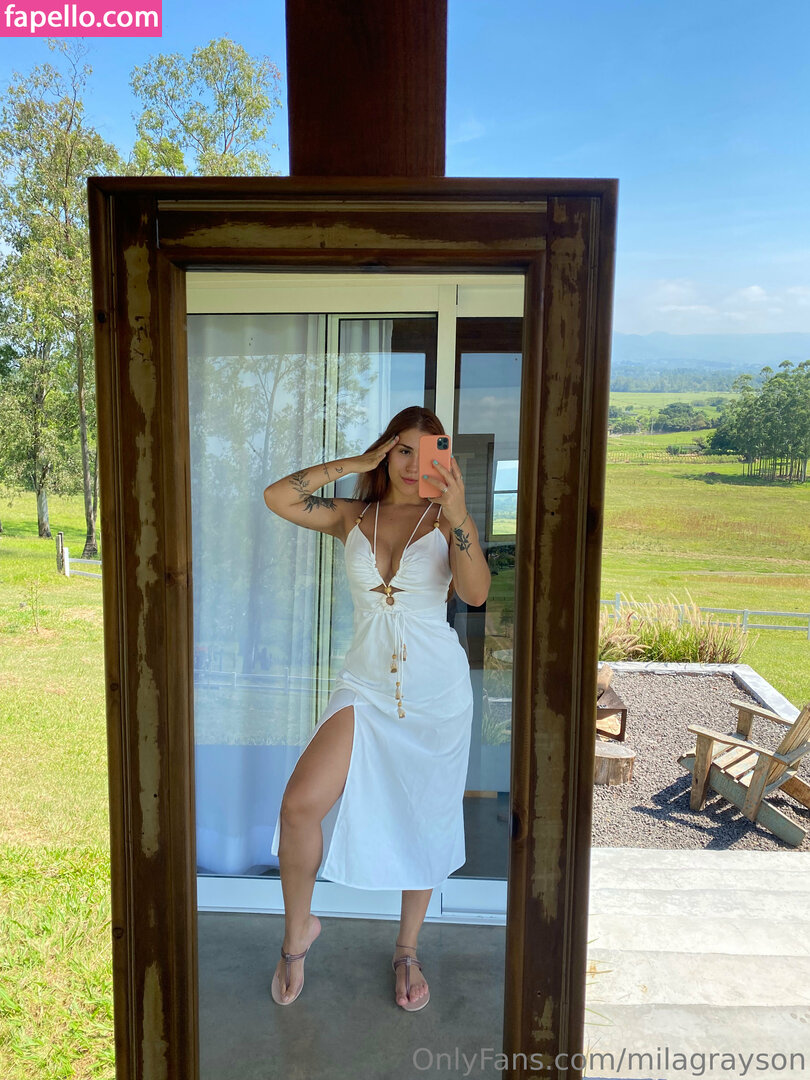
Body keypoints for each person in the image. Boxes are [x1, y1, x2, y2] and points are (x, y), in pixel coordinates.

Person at [262, 406, 491, 1010]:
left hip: (436, 696)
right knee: (299, 805)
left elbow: (474, 593)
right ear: (386, 452)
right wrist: (353, 463)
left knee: (427, 817)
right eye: (402, 450)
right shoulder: (352, 516)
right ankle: (297, 934)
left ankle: (407, 949)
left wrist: (459, 517)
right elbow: (278, 497)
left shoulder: (446, 520)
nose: (414, 465)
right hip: (364, 687)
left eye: (427, 451)